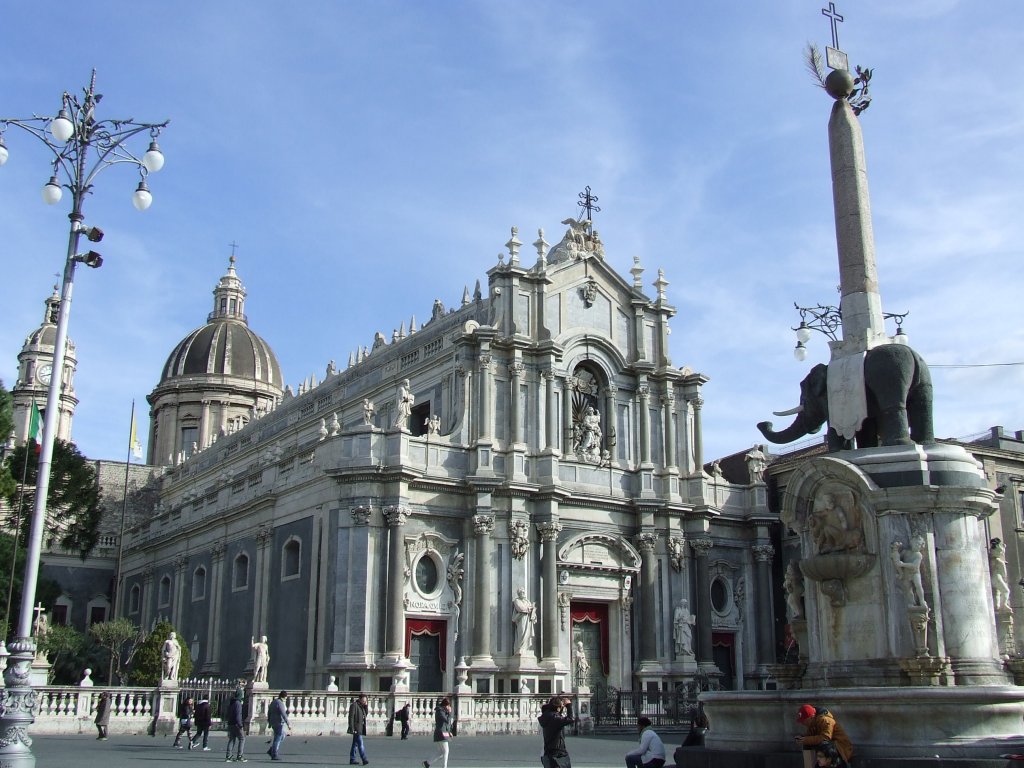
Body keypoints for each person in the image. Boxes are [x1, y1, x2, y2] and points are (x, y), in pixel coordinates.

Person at [538, 696, 574, 768]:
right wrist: (569, 705)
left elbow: (555, 713)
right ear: (558, 708)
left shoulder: (546, 716)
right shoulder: (555, 719)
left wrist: (560, 706)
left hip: (548, 753)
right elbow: (570, 719)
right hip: (558, 754)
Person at [424, 697, 453, 768]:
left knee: (441, 752)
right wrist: (449, 713)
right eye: (448, 706)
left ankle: (427, 763)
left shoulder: (443, 711)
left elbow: (447, 724)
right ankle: (444, 766)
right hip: (441, 732)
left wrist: (449, 732)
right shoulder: (440, 711)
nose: (448, 707)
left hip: (443, 732)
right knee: (446, 751)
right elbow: (447, 721)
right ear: (444, 705)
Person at [512, 588, 537, 653]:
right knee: (522, 632)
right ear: (519, 594)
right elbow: (520, 608)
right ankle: (520, 648)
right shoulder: (517, 600)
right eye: (521, 592)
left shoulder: (527, 601)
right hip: (521, 619)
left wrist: (532, 609)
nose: (523, 594)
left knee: (527, 633)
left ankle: (525, 648)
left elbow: (530, 609)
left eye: (523, 592)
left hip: (528, 619)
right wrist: (529, 608)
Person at [267, 690, 290, 760]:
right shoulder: (280, 703)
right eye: (286, 697)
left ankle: (272, 749)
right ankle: (274, 753)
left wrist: (269, 722)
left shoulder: (273, 702)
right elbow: (283, 714)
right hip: (278, 722)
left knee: (282, 735)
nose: (286, 699)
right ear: (284, 697)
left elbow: (269, 712)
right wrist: (288, 723)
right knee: (278, 738)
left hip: (273, 722)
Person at [225, 690, 247, 762]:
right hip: (236, 724)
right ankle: (240, 755)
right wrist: (240, 725)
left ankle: (228, 755)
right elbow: (238, 715)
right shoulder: (238, 703)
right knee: (242, 738)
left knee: (232, 739)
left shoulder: (232, 702)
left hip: (231, 723)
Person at [347, 693, 369, 765]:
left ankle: (352, 759)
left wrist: (366, 706)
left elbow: (365, 714)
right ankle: (364, 758)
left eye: (365, 701)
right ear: (360, 699)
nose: (364, 702)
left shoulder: (362, 706)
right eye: (363, 700)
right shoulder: (354, 705)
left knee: (355, 744)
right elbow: (351, 717)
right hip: (356, 728)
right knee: (360, 744)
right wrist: (352, 728)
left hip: (360, 727)